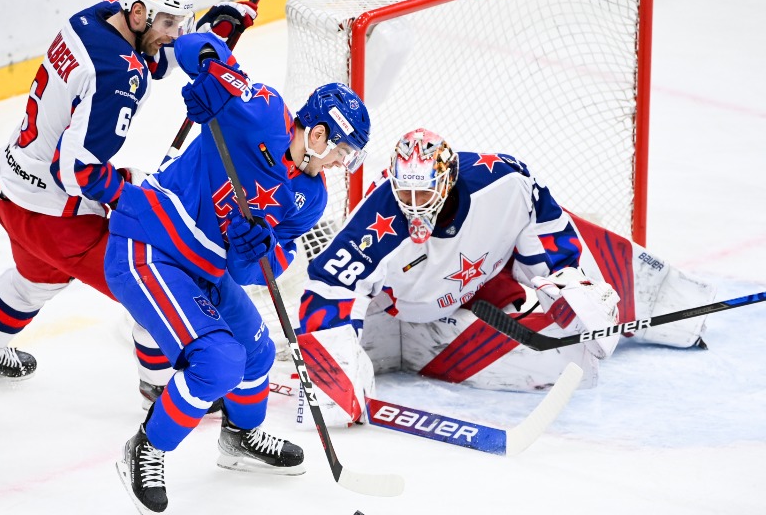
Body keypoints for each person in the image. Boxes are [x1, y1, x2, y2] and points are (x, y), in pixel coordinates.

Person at [0, 0, 259, 383]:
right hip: (57, 217)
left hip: (13, 190)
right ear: (138, 13)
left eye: (179, 22)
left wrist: (206, 37)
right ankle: (159, 393)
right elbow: (77, 171)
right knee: (155, 286)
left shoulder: (100, 15)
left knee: (37, 278)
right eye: (169, 22)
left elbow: (151, 57)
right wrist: (130, 192)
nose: (174, 33)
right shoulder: (115, 78)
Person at [105, 31, 371, 512]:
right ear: (318, 135)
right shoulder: (263, 110)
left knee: (256, 352)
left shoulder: (311, 198)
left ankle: (239, 439)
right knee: (218, 361)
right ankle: (145, 449)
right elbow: (196, 46)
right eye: (343, 151)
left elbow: (252, 271)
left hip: (204, 268)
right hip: (149, 244)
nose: (341, 163)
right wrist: (208, 68)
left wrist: (257, 252)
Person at [295, 127, 717, 427]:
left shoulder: (506, 181)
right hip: (406, 308)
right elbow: (329, 286)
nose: (413, 204)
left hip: (487, 277)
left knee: (580, 315)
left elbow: (547, 228)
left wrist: (569, 285)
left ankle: (676, 305)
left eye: (424, 192)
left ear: (447, 180)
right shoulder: (376, 221)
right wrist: (330, 363)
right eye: (404, 192)